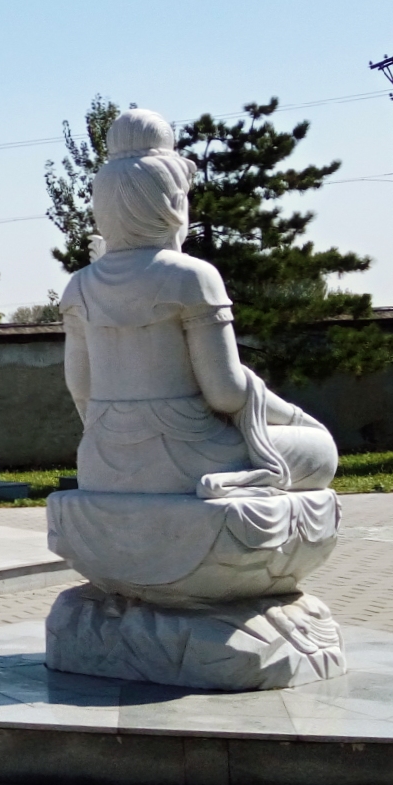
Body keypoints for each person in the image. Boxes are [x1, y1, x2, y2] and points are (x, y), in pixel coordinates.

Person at [60, 108, 337, 496]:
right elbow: (225, 391)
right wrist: (294, 416)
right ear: (172, 204)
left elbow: (81, 390)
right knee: (320, 449)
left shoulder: (80, 286)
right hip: (188, 456)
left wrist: (112, 440)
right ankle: (240, 478)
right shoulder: (190, 277)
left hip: (101, 462)